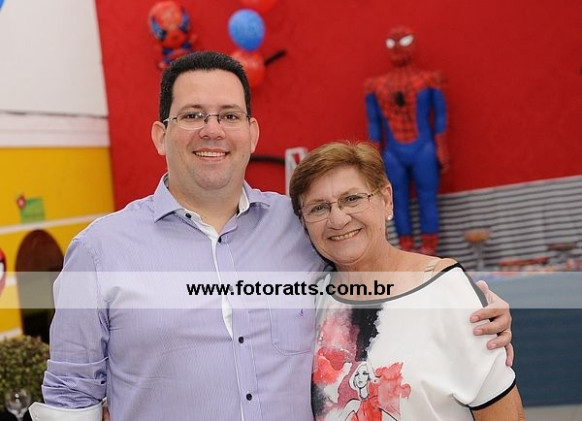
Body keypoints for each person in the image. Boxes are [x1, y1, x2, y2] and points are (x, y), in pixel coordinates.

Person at [29, 52, 512, 421]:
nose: (212, 130)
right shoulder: (99, 251)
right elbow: (71, 398)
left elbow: (373, 269)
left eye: (229, 115)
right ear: (161, 134)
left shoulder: (299, 224)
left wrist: (465, 304)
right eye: (193, 115)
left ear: (252, 132)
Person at [289, 141, 525, 420]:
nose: (338, 219)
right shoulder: (308, 301)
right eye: (318, 208)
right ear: (303, 223)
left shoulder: (446, 291)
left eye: (352, 199)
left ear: (386, 199)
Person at [364, 25, 448, 255]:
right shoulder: (375, 87)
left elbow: (440, 116)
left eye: (404, 42)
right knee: (395, 198)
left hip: (423, 149)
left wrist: (442, 148)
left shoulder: (429, 80)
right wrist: (372, 158)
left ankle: (429, 248)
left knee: (426, 197)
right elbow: (373, 124)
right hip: (394, 152)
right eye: (392, 43)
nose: (398, 48)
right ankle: (406, 248)